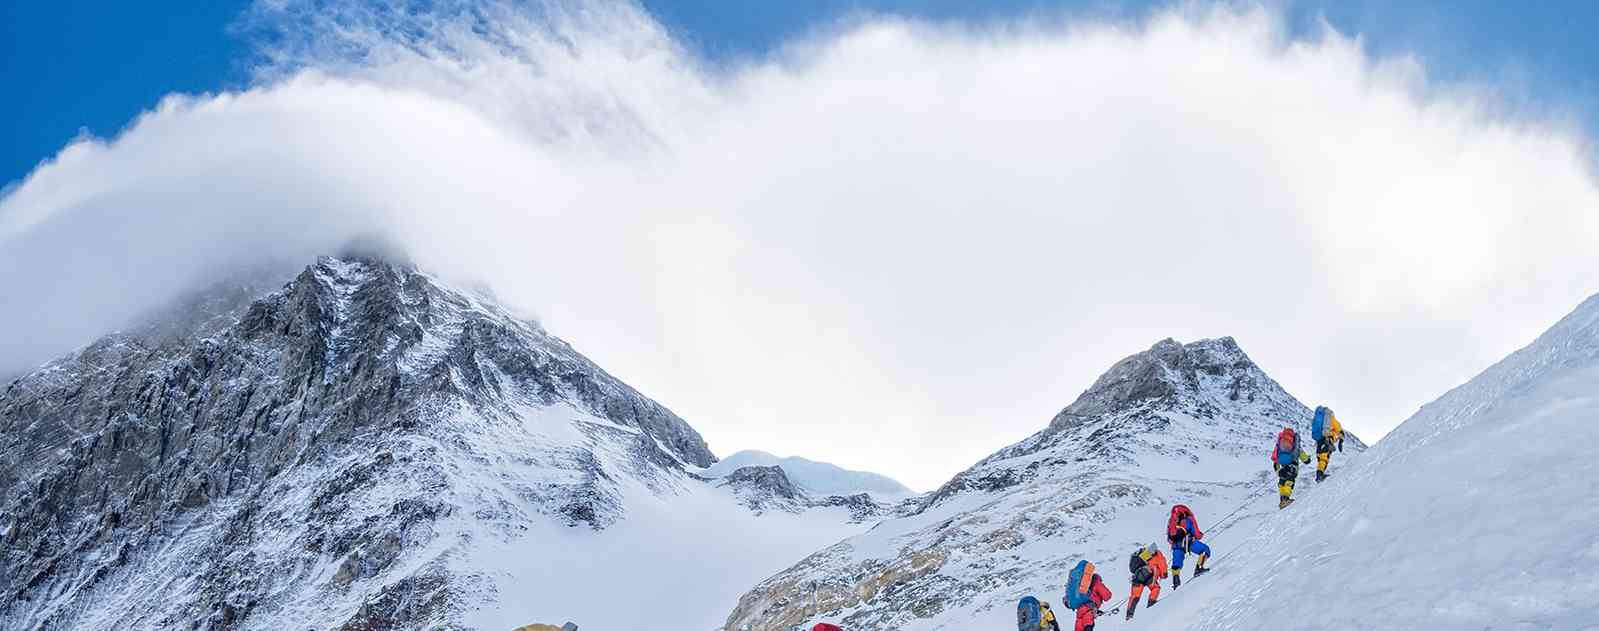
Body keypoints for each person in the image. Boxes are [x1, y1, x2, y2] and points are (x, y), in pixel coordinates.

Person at [1166, 504, 1210, 588]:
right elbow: (1196, 533)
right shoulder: (1189, 519)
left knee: (1176, 563)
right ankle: (1199, 568)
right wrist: (1200, 535)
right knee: (1205, 550)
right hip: (1189, 542)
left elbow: (1169, 538)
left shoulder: (1171, 521)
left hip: (1176, 546)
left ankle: (1175, 580)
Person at [1272, 426, 1313, 508]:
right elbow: (1301, 454)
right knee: (1290, 481)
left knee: (1282, 481)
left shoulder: (1279, 443)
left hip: (1281, 464)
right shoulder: (1295, 443)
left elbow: (1275, 454)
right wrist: (1307, 460)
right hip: (1292, 465)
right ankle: (1286, 499)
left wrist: (1277, 469)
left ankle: (1282, 500)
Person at [1125, 542, 1168, 620]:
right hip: (1149, 577)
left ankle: (1129, 615)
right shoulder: (1158, 555)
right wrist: (1164, 574)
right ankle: (1151, 604)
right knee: (1156, 588)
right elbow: (1163, 568)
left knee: (1135, 596)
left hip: (1137, 576)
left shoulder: (1144, 553)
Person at [1310, 406, 1345, 483]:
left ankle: (1319, 474)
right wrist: (1341, 440)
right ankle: (1320, 475)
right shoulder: (1331, 419)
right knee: (1324, 457)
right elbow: (1339, 429)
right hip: (1327, 439)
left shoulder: (1319, 420)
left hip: (1319, 440)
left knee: (1320, 457)